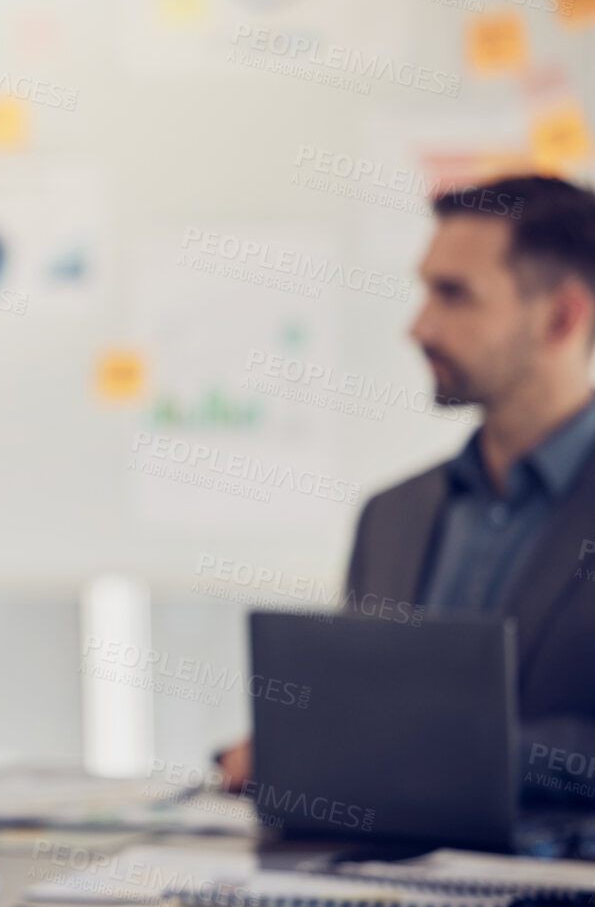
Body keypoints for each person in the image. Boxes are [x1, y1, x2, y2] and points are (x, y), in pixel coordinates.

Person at [219, 175, 595, 808]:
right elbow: (362, 709)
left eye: (454, 296)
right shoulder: (391, 517)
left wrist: (416, 744)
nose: (418, 327)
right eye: (426, 291)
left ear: (560, 317)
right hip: (379, 888)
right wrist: (301, 744)